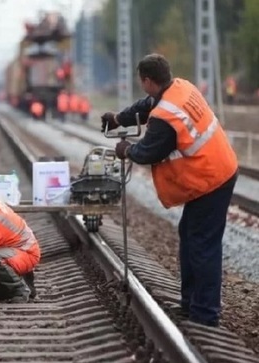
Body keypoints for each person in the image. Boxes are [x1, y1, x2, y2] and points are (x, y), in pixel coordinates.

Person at [101, 54, 238, 327]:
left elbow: (148, 151)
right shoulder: (179, 87)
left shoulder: (165, 117)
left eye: (143, 82)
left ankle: (206, 314)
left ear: (148, 81)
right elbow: (146, 105)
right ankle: (191, 304)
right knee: (190, 235)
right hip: (214, 170)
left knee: (202, 244)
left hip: (212, 179)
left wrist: (125, 149)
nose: (143, 86)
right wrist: (119, 119)